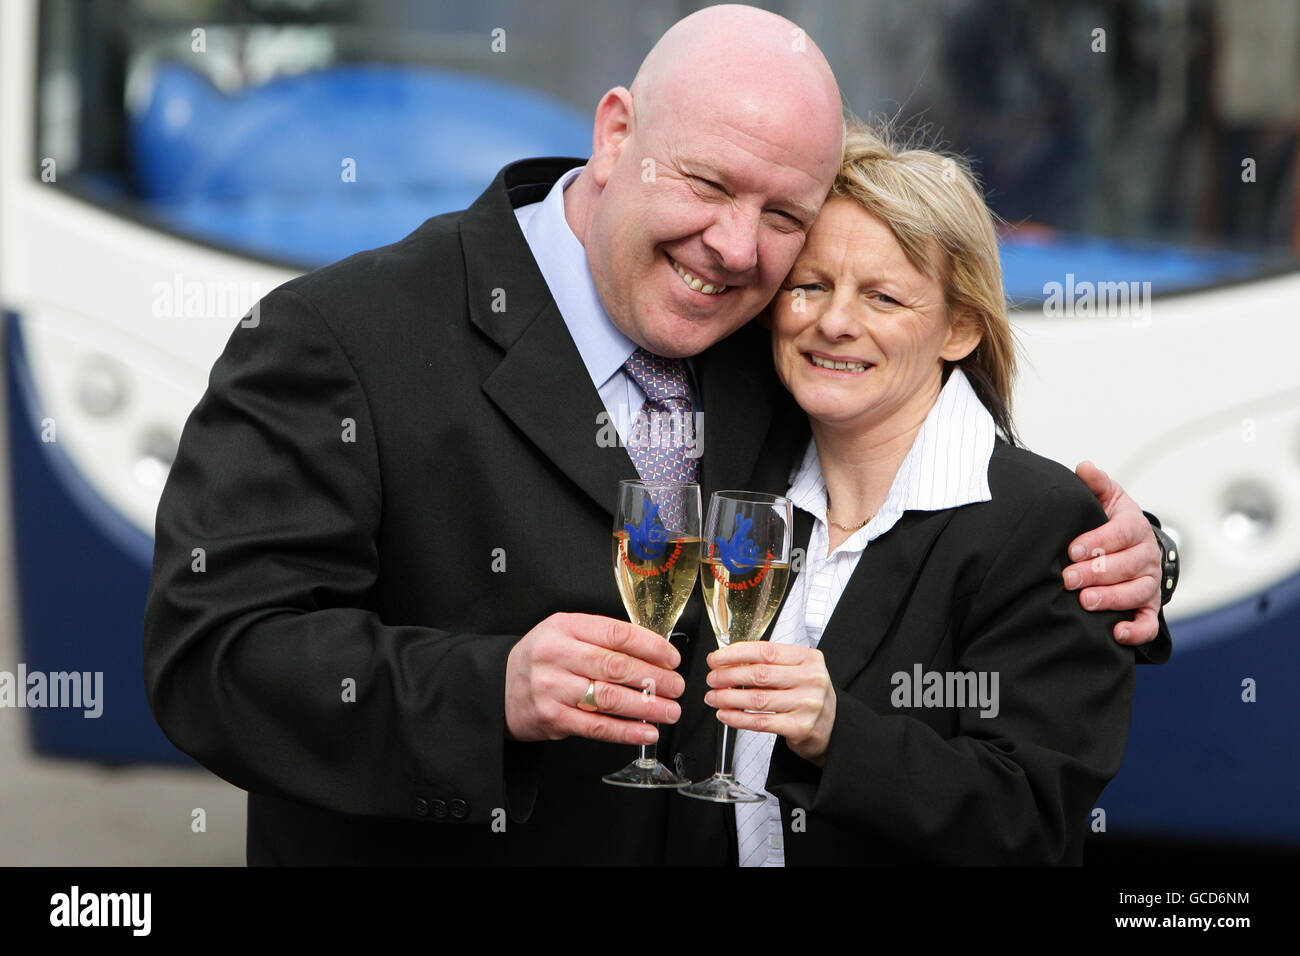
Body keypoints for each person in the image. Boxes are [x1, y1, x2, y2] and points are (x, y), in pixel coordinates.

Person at [142, 5, 1171, 866]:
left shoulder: (766, 334)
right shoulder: (341, 336)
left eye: (783, 216)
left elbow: (923, 483)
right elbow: (212, 654)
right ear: (615, 130)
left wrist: (1134, 554)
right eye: (708, 183)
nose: (732, 246)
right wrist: (489, 687)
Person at [667, 119, 1142, 865]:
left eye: (884, 298)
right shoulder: (737, 481)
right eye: (810, 286)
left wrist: (837, 734)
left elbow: (1029, 820)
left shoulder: (1043, 524)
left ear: (959, 328)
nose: (834, 322)